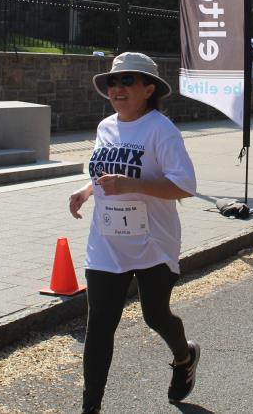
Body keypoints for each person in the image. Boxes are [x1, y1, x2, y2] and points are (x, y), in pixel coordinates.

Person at [69, 52, 200, 413]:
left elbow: (185, 185)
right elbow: (106, 171)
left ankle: (184, 356)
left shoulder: (161, 129)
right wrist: (86, 190)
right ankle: (90, 408)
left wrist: (133, 184)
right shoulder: (105, 127)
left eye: (127, 80)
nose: (117, 88)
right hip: (107, 243)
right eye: (113, 81)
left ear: (148, 88)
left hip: (152, 242)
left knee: (155, 315)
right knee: (99, 324)